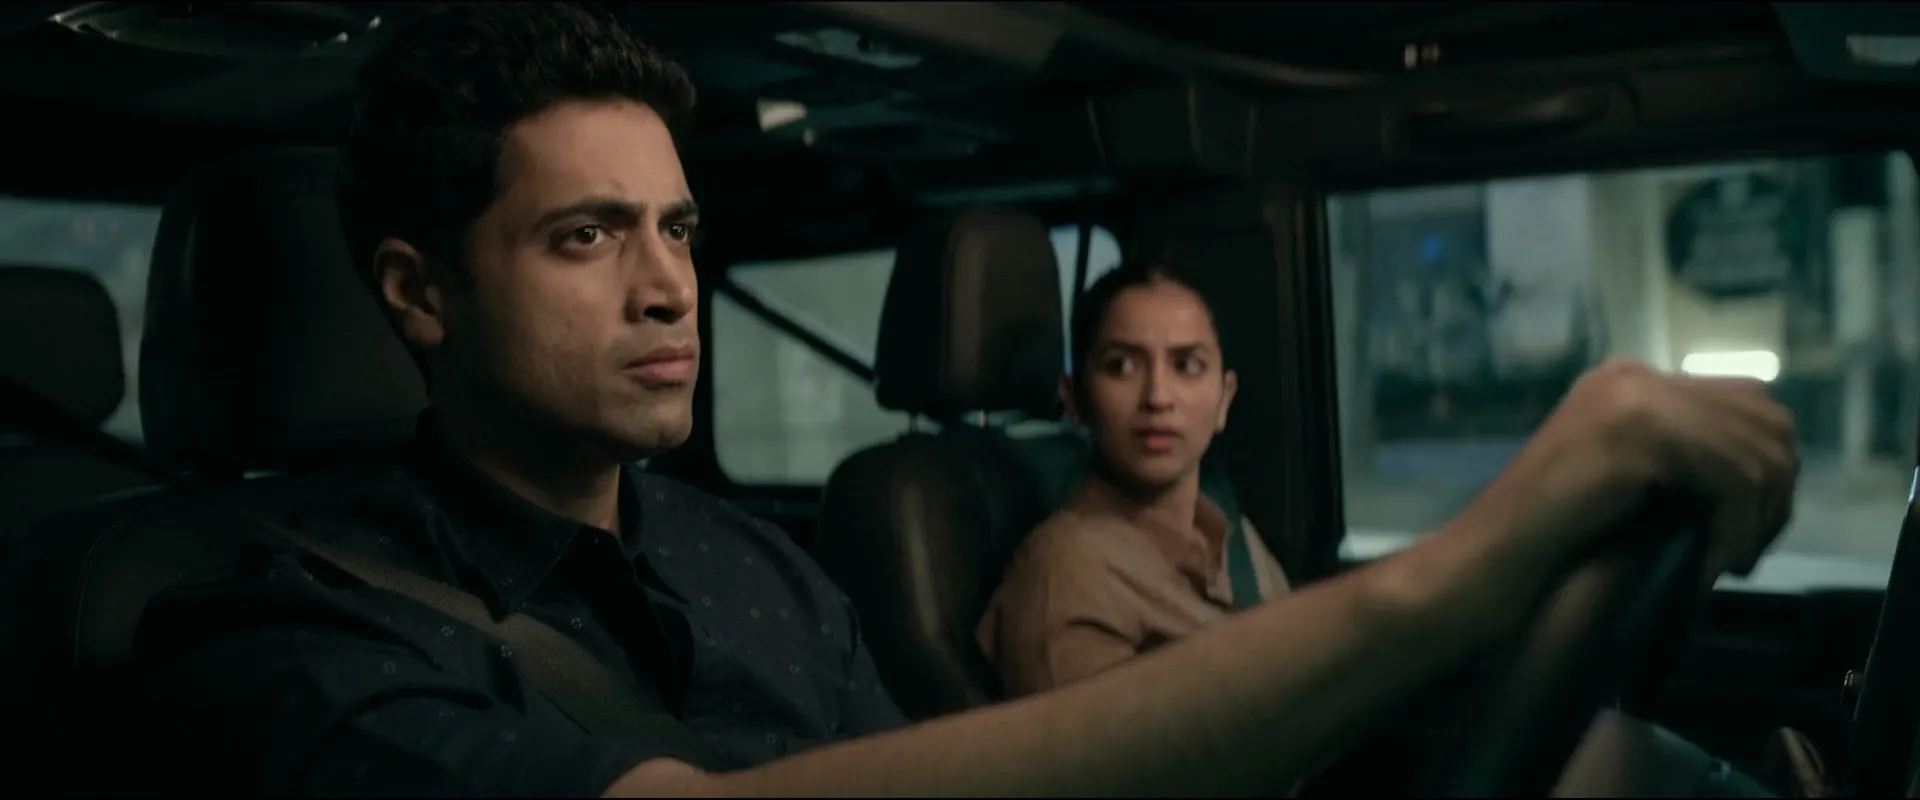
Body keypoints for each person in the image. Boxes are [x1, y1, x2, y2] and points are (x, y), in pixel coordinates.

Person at [116, 4, 1797, 797]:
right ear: (420, 294)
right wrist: (1458, 578)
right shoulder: (277, 645)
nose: (668, 287)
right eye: (586, 238)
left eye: (679, 232)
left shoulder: (750, 564)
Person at [979, 261, 1295, 697]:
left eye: (1187, 365)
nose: (1158, 397)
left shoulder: (1227, 533)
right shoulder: (1067, 575)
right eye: (1121, 366)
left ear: (1224, 399)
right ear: (1075, 400)